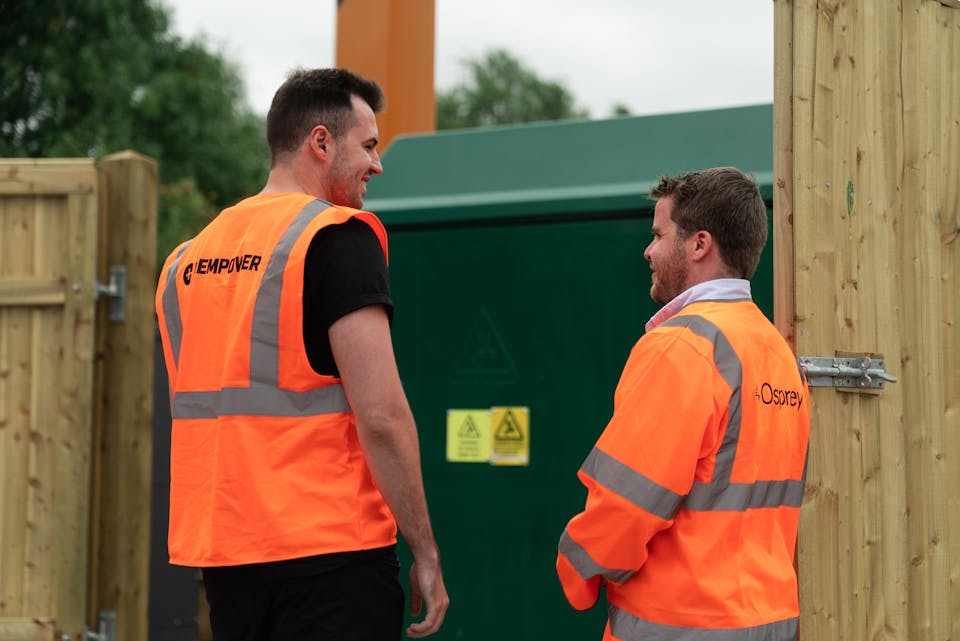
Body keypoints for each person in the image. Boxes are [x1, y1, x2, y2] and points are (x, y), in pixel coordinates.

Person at [155, 68, 448, 641]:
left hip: (227, 560)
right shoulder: (336, 236)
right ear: (320, 142)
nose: (378, 165)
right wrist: (426, 551)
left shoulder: (185, 262)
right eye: (368, 146)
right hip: (330, 557)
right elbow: (382, 417)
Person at [556, 167, 810, 641]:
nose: (647, 251)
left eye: (658, 234)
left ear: (699, 245)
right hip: (767, 622)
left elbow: (627, 505)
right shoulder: (777, 352)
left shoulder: (684, 347)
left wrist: (577, 567)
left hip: (680, 625)